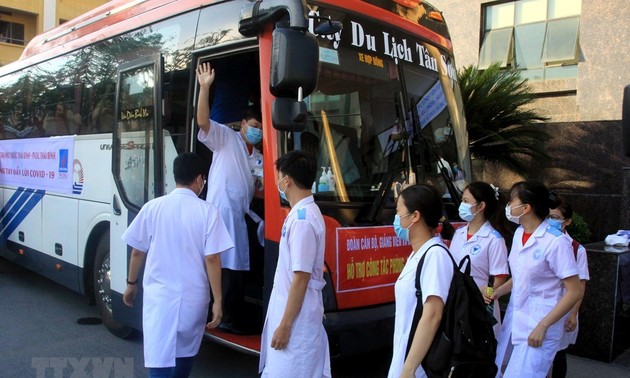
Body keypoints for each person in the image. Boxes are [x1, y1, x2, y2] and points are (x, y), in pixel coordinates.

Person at [121, 152, 233, 378]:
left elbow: (136, 252)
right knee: (185, 353)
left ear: (176, 177)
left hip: (160, 298)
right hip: (193, 299)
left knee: (159, 358)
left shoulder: (153, 207)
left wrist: (131, 284)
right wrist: (218, 300)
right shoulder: (209, 212)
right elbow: (212, 258)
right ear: (200, 179)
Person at [196, 62, 263, 333]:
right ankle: (221, 316)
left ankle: (230, 316)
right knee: (221, 269)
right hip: (220, 214)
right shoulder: (227, 138)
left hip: (240, 216)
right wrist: (204, 88)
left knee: (237, 270)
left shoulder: (257, 155)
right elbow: (202, 122)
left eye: (260, 127)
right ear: (244, 123)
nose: (257, 131)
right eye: (254, 125)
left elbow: (256, 186)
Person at [491, 180, 584, 377]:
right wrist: (498, 292)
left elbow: (574, 290)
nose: (508, 207)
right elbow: (521, 275)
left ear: (525, 208)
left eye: (511, 202)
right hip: (517, 321)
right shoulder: (519, 234)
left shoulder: (556, 242)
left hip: (541, 327)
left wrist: (543, 325)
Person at [259, 150, 330, 377]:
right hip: (295, 314)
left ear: (286, 180)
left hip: (296, 325)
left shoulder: (303, 220)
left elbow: (301, 277)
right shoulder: (302, 213)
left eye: (279, 176)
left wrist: (285, 326)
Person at [387, 184, 454, 378]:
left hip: (421, 367)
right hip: (405, 358)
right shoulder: (417, 254)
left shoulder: (435, 256)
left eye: (399, 212)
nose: (397, 220)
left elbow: (433, 315)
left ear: (415, 216)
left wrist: (409, 369)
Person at [449, 181, 510, 334]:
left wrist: (486, 295)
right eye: (462, 200)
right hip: (456, 302)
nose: (462, 205)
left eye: (466, 201)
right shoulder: (459, 233)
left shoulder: (494, 239)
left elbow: (500, 278)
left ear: (481, 206)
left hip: (479, 307)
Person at [548, 196, 590, 378]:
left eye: (556, 217)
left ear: (568, 221)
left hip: (564, 308)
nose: (551, 221)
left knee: (558, 353)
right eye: (548, 216)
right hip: (542, 306)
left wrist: (573, 313)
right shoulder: (543, 241)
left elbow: (580, 285)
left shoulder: (576, 249)